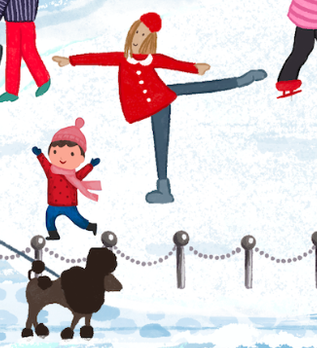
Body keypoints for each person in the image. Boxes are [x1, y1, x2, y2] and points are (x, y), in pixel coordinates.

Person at [55, 12, 265, 204]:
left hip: (160, 97)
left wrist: (195, 68)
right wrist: (70, 61)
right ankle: (164, 189)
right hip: (142, 105)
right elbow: (97, 58)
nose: (137, 38)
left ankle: (239, 81)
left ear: (149, 40)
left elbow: (174, 64)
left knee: (167, 131)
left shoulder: (152, 59)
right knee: (164, 134)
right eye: (136, 32)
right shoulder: (123, 58)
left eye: (143, 35)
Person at [34, 118, 101, 237]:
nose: (62, 158)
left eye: (71, 154)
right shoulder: (51, 170)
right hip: (53, 203)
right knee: (49, 218)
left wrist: (90, 165)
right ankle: (53, 234)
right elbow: (44, 163)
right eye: (56, 152)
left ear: (81, 158)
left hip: (69, 204)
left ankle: (91, 226)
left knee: (77, 220)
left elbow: (82, 174)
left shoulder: (73, 176)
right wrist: (40, 155)